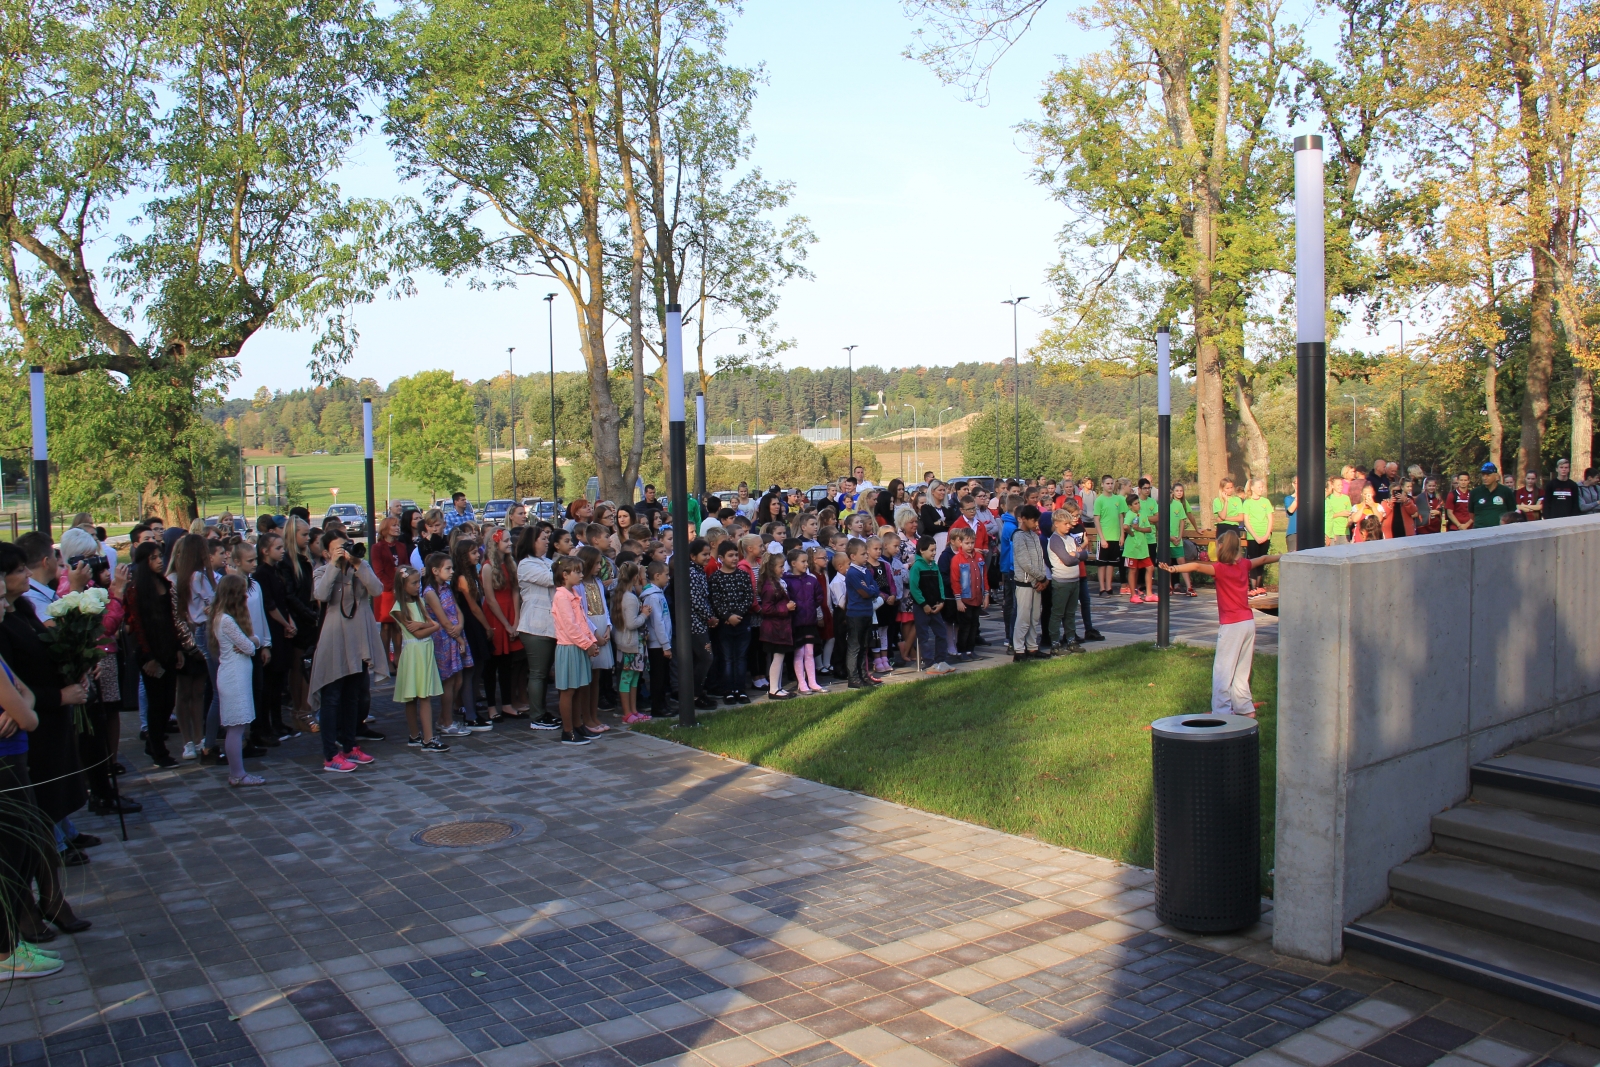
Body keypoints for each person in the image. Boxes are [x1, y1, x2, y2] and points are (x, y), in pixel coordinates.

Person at [1160, 530, 1280, 717]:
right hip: (1248, 623)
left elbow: (1196, 566)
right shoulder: (1244, 565)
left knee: (1223, 670)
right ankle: (1245, 709)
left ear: (1222, 546)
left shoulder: (1220, 568)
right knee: (1242, 669)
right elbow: (1264, 559)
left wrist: (1173, 569)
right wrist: (1286, 556)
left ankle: (1222, 712)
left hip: (1232, 625)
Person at [307, 530, 388, 773]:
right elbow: (320, 595)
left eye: (347, 545)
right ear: (326, 552)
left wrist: (357, 564)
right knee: (332, 697)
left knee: (353, 694)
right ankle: (331, 753)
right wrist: (334, 565)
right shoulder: (322, 571)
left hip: (358, 639)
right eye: (339, 548)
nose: (345, 550)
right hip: (335, 638)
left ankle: (350, 745)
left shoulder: (359, 568)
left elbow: (376, 589)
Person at [208, 575, 263, 787]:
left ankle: (237, 773)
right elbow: (249, 647)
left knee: (239, 725)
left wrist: (253, 641)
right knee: (236, 727)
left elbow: (250, 643)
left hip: (236, 676)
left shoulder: (223, 617)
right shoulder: (226, 620)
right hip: (234, 678)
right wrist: (254, 641)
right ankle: (237, 773)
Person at [391, 566, 446, 751]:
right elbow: (418, 633)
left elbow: (431, 626)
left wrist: (429, 625)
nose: (418, 586)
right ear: (403, 585)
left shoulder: (420, 601)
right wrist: (431, 626)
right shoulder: (399, 607)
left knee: (424, 695)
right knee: (414, 696)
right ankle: (422, 737)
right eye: (413, 583)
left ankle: (422, 736)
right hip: (413, 652)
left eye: (418, 582)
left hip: (424, 652)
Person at [516, 525, 560, 730]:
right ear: (532, 542)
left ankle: (542, 711)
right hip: (535, 626)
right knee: (538, 673)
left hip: (551, 625)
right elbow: (552, 579)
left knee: (544, 673)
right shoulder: (525, 564)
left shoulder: (547, 561)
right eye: (543, 538)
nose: (547, 541)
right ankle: (536, 715)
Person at [550, 557, 598, 745]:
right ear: (565, 575)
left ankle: (578, 725)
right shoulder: (561, 596)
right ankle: (568, 730)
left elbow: (582, 621)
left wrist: (591, 641)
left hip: (580, 646)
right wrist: (587, 644)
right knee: (568, 690)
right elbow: (570, 627)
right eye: (576, 572)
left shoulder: (574, 593)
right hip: (569, 647)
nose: (580, 575)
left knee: (579, 688)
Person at [708, 541, 755, 704]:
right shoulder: (716, 578)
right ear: (721, 558)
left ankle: (740, 689)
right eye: (730, 555)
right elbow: (715, 600)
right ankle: (728, 690)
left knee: (741, 657)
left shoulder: (742, 575)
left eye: (736, 555)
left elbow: (749, 596)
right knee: (727, 657)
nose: (735, 558)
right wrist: (727, 616)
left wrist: (738, 615)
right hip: (724, 624)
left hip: (742, 622)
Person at [1010, 505, 1049, 661]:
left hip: (1036, 582)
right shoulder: (1018, 536)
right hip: (1025, 583)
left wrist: (1042, 578)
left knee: (1034, 617)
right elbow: (1025, 562)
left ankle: (1032, 647)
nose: (1036, 523)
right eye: (1033, 520)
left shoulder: (1033, 535)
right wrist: (1040, 578)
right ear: (1024, 519)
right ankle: (1018, 649)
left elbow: (1040, 559)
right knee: (1023, 617)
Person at [1046, 502, 1086, 653]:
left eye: (1070, 523)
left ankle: (1071, 639)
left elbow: (1084, 554)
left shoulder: (1070, 538)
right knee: (1058, 612)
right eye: (1065, 523)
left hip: (1074, 581)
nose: (1069, 526)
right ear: (1056, 524)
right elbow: (1067, 560)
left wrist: (1076, 554)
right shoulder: (1056, 540)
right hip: (1062, 582)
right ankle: (1055, 642)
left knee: (1070, 613)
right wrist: (1077, 556)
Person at [843, 538, 880, 688]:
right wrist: (870, 590)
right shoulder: (852, 573)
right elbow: (864, 593)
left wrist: (870, 589)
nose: (866, 556)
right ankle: (853, 678)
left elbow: (876, 589)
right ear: (853, 556)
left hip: (867, 612)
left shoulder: (866, 570)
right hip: (856, 613)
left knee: (864, 646)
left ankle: (864, 675)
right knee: (855, 646)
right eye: (863, 554)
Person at [641, 561, 673, 718]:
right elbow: (658, 622)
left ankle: (663, 704)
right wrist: (665, 645)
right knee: (658, 678)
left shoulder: (659, 594)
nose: (668, 577)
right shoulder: (652, 597)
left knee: (662, 676)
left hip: (662, 643)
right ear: (657, 576)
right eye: (666, 575)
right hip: (657, 644)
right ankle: (658, 707)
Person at [1093, 478, 1126, 597]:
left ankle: (1109, 586)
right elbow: (1096, 519)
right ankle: (1102, 588)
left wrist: (1122, 535)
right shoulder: (1099, 500)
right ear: (1102, 484)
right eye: (1107, 483)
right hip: (1104, 537)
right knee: (1102, 563)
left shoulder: (1118, 499)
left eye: (1112, 483)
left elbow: (1121, 517)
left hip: (1115, 537)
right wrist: (1102, 538)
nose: (1110, 486)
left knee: (1111, 563)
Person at [1470, 463, 1516, 528]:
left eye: (1488, 475)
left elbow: (1512, 511)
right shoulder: (1475, 492)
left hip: (1500, 529)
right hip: (1479, 530)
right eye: (1483, 475)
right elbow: (1471, 514)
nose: (1484, 478)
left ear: (1496, 476)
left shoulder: (1506, 491)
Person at [1325, 477, 1353, 545]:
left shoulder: (1346, 498)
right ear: (1332, 486)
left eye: (1341, 485)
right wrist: (1340, 514)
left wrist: (1350, 520)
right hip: (1335, 531)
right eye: (1338, 485)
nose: (1340, 487)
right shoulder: (1329, 499)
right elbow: (1328, 516)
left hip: (1345, 531)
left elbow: (1350, 512)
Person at [1283, 476, 1298, 553]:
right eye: (1297, 483)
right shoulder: (1289, 499)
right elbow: (1290, 510)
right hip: (1293, 532)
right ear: (1293, 484)